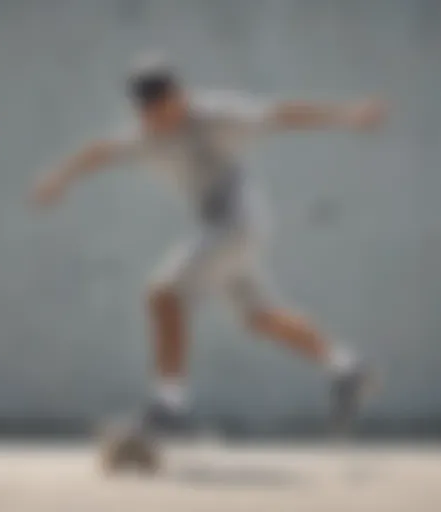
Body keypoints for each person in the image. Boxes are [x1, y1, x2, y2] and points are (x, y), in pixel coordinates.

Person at [32, 55, 385, 436]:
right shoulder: (146, 136)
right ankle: (347, 366)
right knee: (260, 318)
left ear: (179, 96)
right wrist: (60, 176)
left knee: (164, 293)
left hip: (237, 221)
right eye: (146, 110)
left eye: (161, 106)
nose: (155, 118)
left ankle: (170, 404)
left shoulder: (217, 114)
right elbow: (101, 152)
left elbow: (281, 114)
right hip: (221, 230)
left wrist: (347, 114)